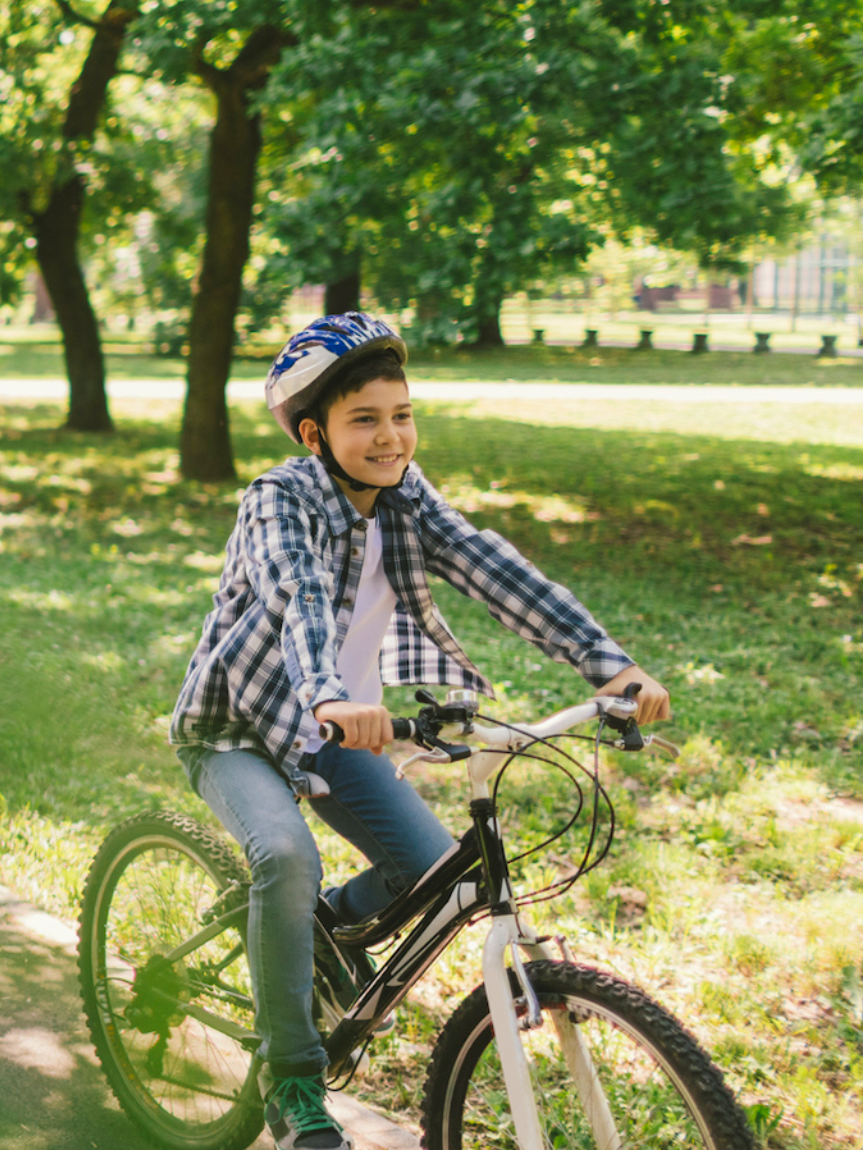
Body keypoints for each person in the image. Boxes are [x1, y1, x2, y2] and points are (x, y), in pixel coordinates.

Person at [168, 312, 671, 1150]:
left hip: (335, 727)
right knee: (286, 858)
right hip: (238, 729)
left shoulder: (407, 497)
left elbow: (493, 566)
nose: (390, 436)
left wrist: (606, 665)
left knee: (433, 872)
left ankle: (307, 931)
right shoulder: (278, 501)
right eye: (363, 419)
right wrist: (330, 693)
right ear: (313, 432)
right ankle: (291, 1083)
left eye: (401, 414)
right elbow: (300, 600)